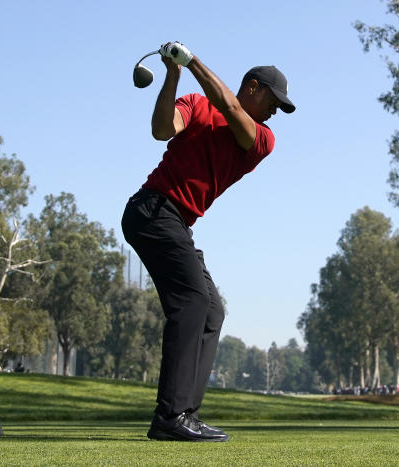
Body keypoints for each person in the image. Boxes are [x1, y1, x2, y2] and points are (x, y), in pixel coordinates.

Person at [121, 42, 295, 442]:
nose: (275, 111)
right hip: (151, 210)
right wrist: (173, 74)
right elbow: (161, 130)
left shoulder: (262, 139)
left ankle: (184, 414)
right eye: (274, 100)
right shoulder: (197, 105)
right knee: (193, 301)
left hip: (175, 221)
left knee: (211, 310)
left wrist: (192, 60)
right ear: (253, 87)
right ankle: (170, 417)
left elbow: (232, 110)